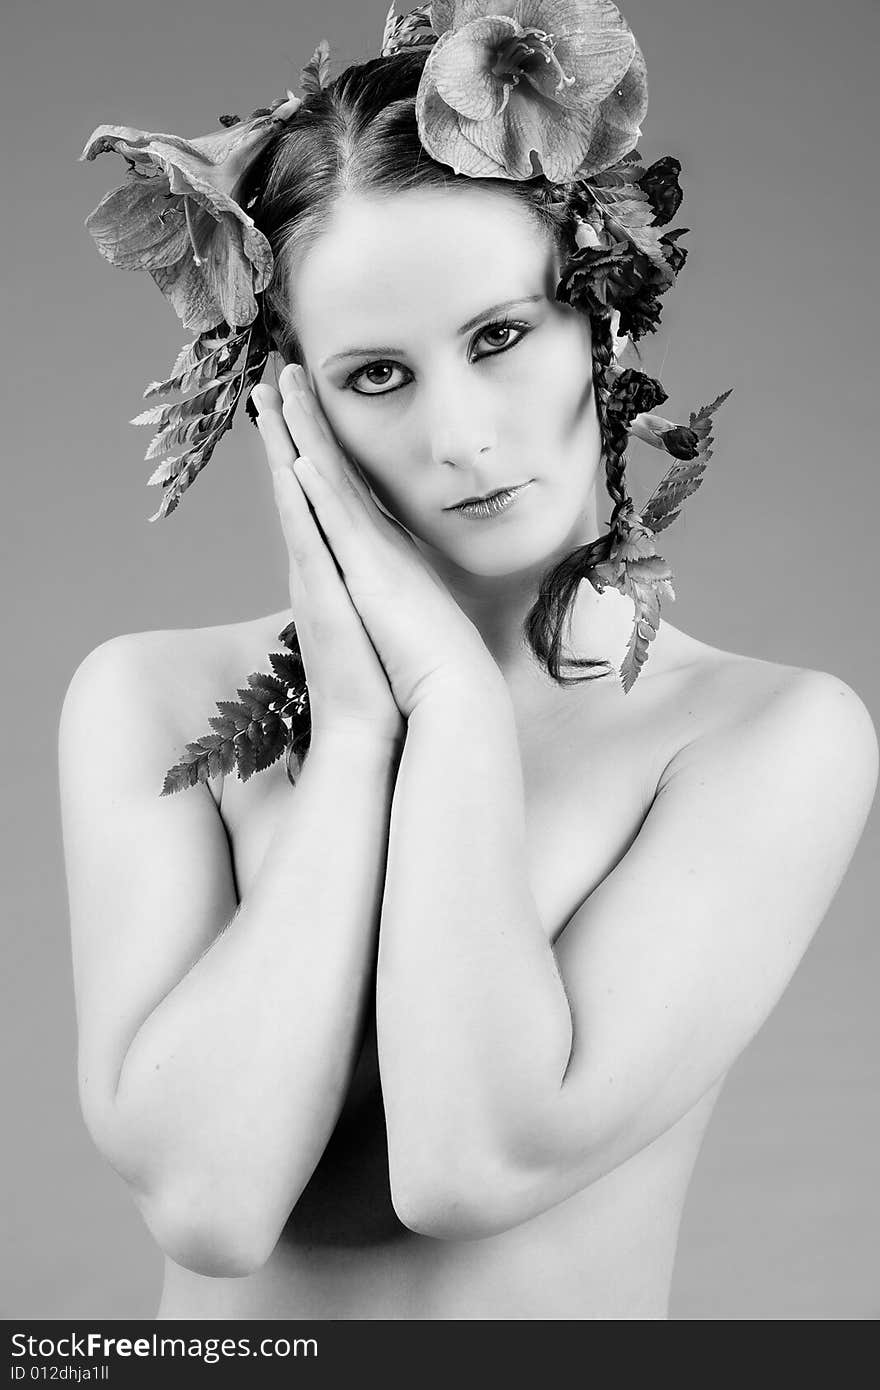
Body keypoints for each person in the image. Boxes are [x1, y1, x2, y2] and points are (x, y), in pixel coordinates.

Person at [60, 5, 878, 1321]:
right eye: (378, 374)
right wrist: (365, 739)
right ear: (290, 402)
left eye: (500, 336)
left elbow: (471, 1154)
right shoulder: (142, 700)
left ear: (607, 309)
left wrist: (450, 697)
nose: (461, 436)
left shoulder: (767, 738)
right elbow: (210, 1203)